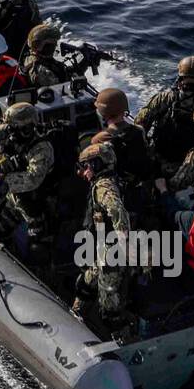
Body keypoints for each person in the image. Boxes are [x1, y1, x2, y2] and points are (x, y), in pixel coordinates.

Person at [0, 101, 54, 261]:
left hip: (35, 202)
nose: (12, 133)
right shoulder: (9, 130)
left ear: (27, 127)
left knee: (38, 248)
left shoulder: (41, 147)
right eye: (11, 128)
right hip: (13, 198)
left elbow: (33, 179)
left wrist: (3, 179)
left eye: (17, 129)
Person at [74, 142, 135, 340]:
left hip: (112, 251)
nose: (83, 172)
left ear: (96, 165)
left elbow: (116, 210)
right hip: (104, 248)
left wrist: (123, 240)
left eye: (86, 166)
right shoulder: (117, 179)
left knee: (110, 304)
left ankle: (122, 338)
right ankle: (77, 313)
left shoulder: (103, 187)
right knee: (86, 283)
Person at [88, 87, 158, 227]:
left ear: (103, 113)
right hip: (139, 188)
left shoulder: (99, 139)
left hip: (117, 192)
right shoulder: (139, 131)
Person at [138, 56, 194, 178]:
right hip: (187, 169)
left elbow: (140, 124)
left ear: (180, 76)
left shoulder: (164, 98)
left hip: (156, 161)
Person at [21, 23, 74, 87]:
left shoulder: (30, 57)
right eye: (49, 45)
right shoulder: (41, 71)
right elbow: (63, 87)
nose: (54, 47)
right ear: (37, 45)